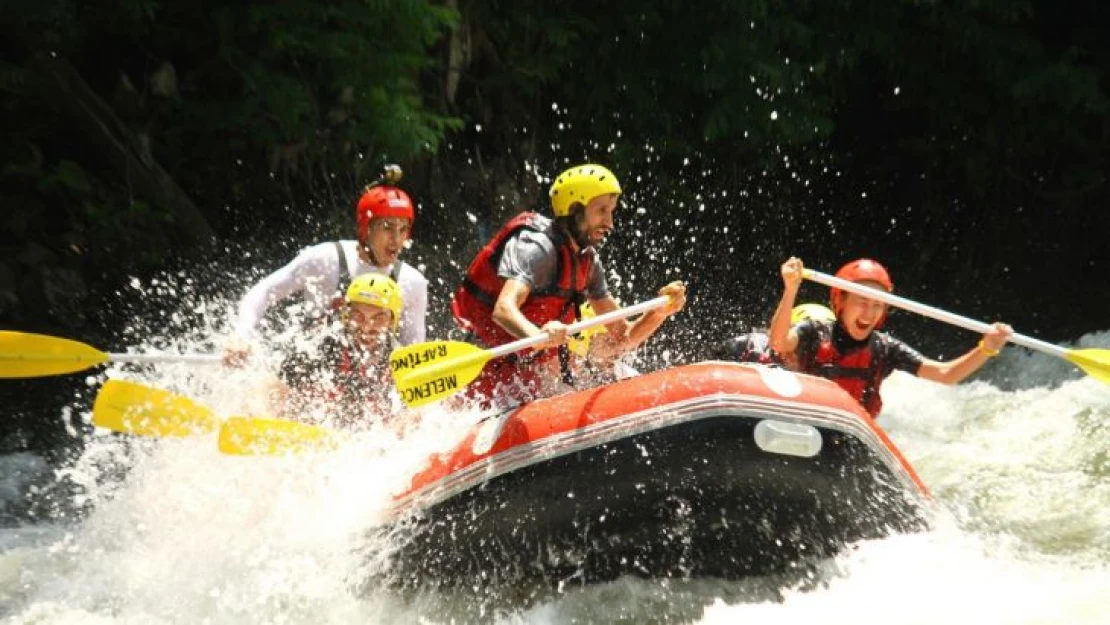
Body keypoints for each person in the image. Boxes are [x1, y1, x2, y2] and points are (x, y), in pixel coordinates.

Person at [450, 163, 687, 407]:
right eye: (601, 210)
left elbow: (622, 337)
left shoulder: (589, 263)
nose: (610, 223)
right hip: (488, 373)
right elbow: (503, 310)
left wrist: (659, 313)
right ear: (575, 210)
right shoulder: (536, 248)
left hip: (530, 375)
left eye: (611, 211)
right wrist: (538, 336)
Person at [224, 165, 428, 365]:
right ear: (366, 229)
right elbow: (265, 291)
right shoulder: (324, 259)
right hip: (308, 371)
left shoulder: (412, 282)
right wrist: (241, 335)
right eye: (388, 228)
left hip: (370, 383)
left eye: (403, 229)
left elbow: (413, 352)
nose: (397, 239)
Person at [768, 256, 1013, 418]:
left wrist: (987, 347)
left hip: (849, 436)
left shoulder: (886, 349)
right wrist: (791, 288)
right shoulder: (815, 332)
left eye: (877, 305)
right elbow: (779, 343)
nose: (869, 312)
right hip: (805, 422)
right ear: (840, 301)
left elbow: (945, 375)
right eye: (862, 302)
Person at [269, 274, 403, 429]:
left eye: (378, 318)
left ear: (392, 321)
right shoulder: (321, 346)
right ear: (346, 315)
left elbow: (415, 413)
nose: (366, 327)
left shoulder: (400, 360)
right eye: (358, 316)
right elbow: (276, 388)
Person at [711, 303, 836, 368]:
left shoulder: (825, 368)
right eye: (797, 345)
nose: (791, 354)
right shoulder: (753, 347)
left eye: (806, 348)